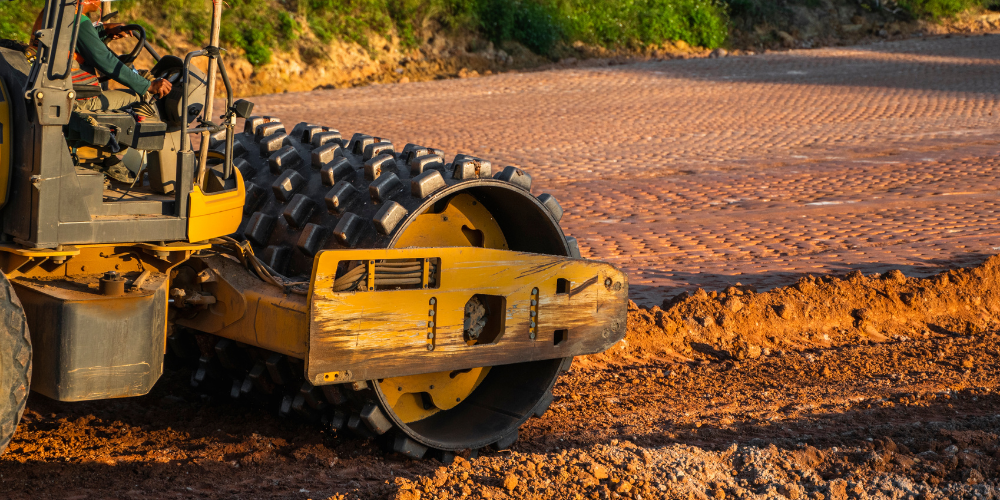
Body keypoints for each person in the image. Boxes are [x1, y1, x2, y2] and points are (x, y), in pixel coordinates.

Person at [29, 0, 172, 112]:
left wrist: (103, 30)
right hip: (74, 100)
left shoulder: (57, 11)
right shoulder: (77, 19)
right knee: (140, 94)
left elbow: (72, 39)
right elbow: (105, 60)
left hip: (55, 89)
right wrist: (149, 85)